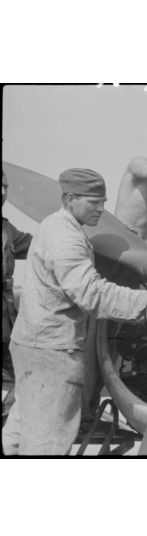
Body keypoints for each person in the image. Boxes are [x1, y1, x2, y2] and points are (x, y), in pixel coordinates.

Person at [2, 168, 147, 455]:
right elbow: (90, 293)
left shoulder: (55, 225)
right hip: (53, 352)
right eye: (94, 202)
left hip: (31, 345)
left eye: (104, 201)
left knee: (19, 429)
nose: (102, 209)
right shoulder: (67, 239)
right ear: (71, 199)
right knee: (49, 438)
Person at [2, 170, 33, 423]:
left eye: (5, 187)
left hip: (5, 318)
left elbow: (35, 245)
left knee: (27, 372)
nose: (3, 193)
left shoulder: (5, 229)